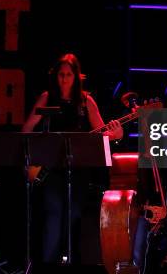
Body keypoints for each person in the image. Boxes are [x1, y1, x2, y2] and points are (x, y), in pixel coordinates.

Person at [21, 53, 122, 265]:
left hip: (78, 171)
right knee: (53, 216)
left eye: (68, 75)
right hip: (50, 171)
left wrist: (115, 136)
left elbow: (101, 132)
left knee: (74, 217)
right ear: (55, 76)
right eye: (61, 74)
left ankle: (71, 264)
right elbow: (27, 129)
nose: (64, 79)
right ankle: (47, 266)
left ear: (76, 77)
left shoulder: (86, 101)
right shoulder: (47, 97)